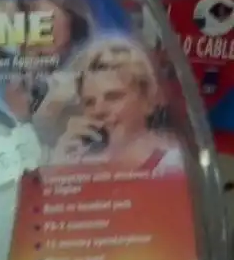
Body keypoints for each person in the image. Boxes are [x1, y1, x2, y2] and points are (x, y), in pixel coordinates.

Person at [51, 38, 182, 173]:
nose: (98, 110)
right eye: (89, 102)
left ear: (148, 102)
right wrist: (61, 166)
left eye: (113, 97)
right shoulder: (81, 167)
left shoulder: (176, 166)